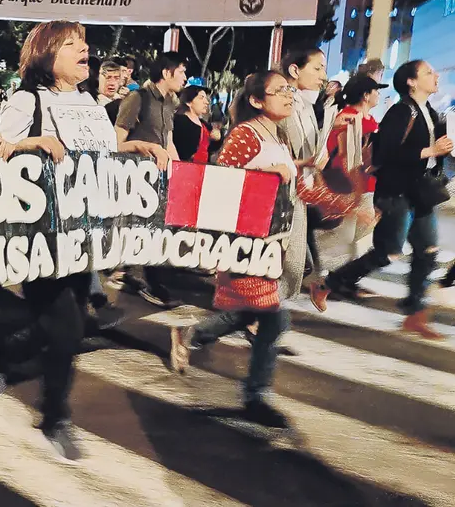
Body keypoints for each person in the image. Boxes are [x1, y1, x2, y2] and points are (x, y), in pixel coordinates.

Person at [0, 19, 167, 462]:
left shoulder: (88, 101)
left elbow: (100, 155)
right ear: (47, 54)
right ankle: (56, 417)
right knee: (67, 326)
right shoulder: (27, 99)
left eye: (83, 44)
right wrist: (34, 141)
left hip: (85, 236)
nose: (83, 50)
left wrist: (135, 148)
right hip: (42, 235)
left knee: (60, 324)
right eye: (71, 44)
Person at [170, 71, 300, 428]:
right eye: (279, 90)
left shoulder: (278, 134)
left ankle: (191, 335)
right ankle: (256, 397)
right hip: (246, 245)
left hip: (270, 244)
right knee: (273, 317)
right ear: (256, 100)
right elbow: (223, 180)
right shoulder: (245, 134)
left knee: (251, 313)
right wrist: (269, 173)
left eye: (289, 90)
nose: (288, 95)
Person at [321, 61, 451, 340]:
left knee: (428, 251)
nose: (436, 76)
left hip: (421, 193)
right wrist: (430, 150)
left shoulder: (430, 111)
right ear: (411, 82)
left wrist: (442, 152)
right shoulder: (401, 111)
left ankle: (414, 311)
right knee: (388, 251)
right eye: (428, 72)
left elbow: (437, 152)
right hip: (396, 191)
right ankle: (333, 281)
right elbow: (387, 155)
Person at [113, 51, 186, 308]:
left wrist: (181, 171)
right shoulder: (138, 98)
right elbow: (115, 142)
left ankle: (137, 277)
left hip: (159, 177)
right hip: (136, 177)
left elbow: (168, 141)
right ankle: (146, 281)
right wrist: (142, 147)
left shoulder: (170, 102)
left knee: (155, 229)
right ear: (166, 72)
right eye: (181, 72)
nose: (185, 78)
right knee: (146, 228)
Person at [314, 74, 387, 275]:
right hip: (347, 186)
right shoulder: (349, 119)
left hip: (365, 186)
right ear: (366, 95)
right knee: (341, 237)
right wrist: (355, 196)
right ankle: (327, 278)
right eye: (376, 91)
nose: (379, 95)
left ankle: (344, 278)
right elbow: (346, 160)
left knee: (359, 238)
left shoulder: (368, 120)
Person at [280, 47, 329, 302]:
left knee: (296, 266)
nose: (323, 76)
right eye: (317, 68)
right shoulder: (282, 103)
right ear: (295, 70)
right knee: (291, 267)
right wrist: (306, 162)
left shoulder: (307, 105)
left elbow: (310, 149)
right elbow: (273, 152)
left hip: (300, 193)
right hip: (282, 196)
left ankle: (256, 314)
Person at [172, 85, 213, 163]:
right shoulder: (178, 121)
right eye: (201, 98)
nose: (206, 102)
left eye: (206, 98)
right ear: (188, 102)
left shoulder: (205, 125)